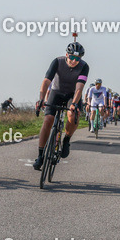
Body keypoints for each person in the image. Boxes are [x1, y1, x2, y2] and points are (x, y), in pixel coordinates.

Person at [33, 38, 88, 170]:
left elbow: (79, 88)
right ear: (67, 55)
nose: (74, 61)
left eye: (78, 58)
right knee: (48, 120)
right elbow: (46, 81)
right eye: (72, 57)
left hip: (72, 94)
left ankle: (67, 140)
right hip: (56, 92)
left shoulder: (84, 66)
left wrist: (74, 104)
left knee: (72, 115)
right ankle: (40, 155)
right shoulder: (57, 61)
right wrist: (41, 99)